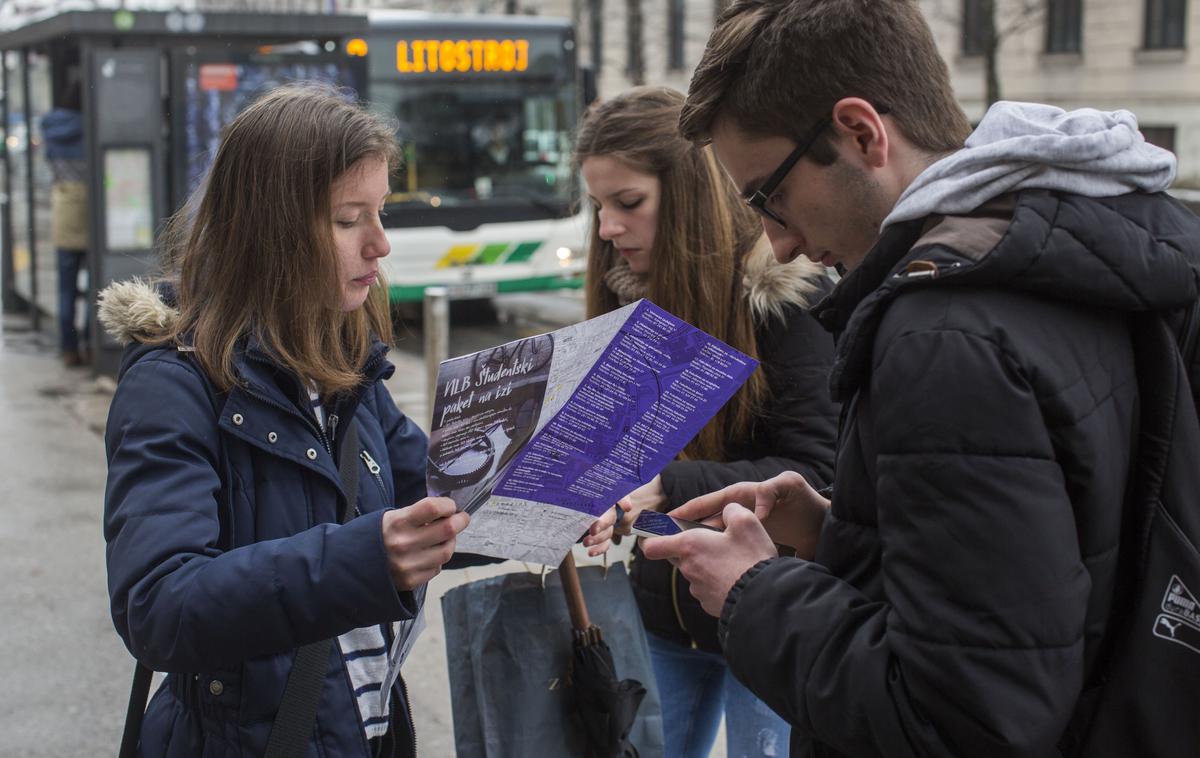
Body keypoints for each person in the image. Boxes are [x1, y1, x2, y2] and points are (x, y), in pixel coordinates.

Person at [639, 1, 1200, 757]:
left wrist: (753, 591)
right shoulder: (1096, 235)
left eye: (766, 196)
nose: (777, 240)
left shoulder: (942, 333)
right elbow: (1064, 552)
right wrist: (840, 527)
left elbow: (960, 719)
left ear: (862, 132)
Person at [99, 83, 623, 757]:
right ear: (270, 231)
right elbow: (157, 605)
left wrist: (550, 511)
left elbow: (432, 503)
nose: (380, 244)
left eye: (380, 213)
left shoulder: (344, 367)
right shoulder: (173, 384)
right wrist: (364, 559)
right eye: (349, 220)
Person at [575, 86, 840, 758]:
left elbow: (819, 475)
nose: (607, 228)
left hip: (773, 606)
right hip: (661, 612)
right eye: (597, 207)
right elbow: (619, 459)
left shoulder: (785, 300)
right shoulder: (629, 307)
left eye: (627, 203)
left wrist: (669, 485)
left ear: (690, 193)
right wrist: (598, 498)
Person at [42, 74, 90, 366]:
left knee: (66, 287)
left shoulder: (50, 126)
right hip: (89, 210)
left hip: (63, 206)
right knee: (98, 285)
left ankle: (68, 348)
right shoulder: (91, 125)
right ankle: (92, 342)